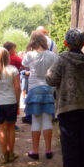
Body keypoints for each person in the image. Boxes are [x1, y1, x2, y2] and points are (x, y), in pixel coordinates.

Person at [45, 28, 84, 167]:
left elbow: (51, 79)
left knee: (69, 146)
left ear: (66, 43)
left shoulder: (62, 59)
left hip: (68, 107)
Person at [22, 30, 57, 160]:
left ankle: (35, 151)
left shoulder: (29, 55)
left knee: (36, 120)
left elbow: (24, 65)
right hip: (48, 88)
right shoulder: (52, 55)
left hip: (34, 88)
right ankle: (48, 150)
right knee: (47, 119)